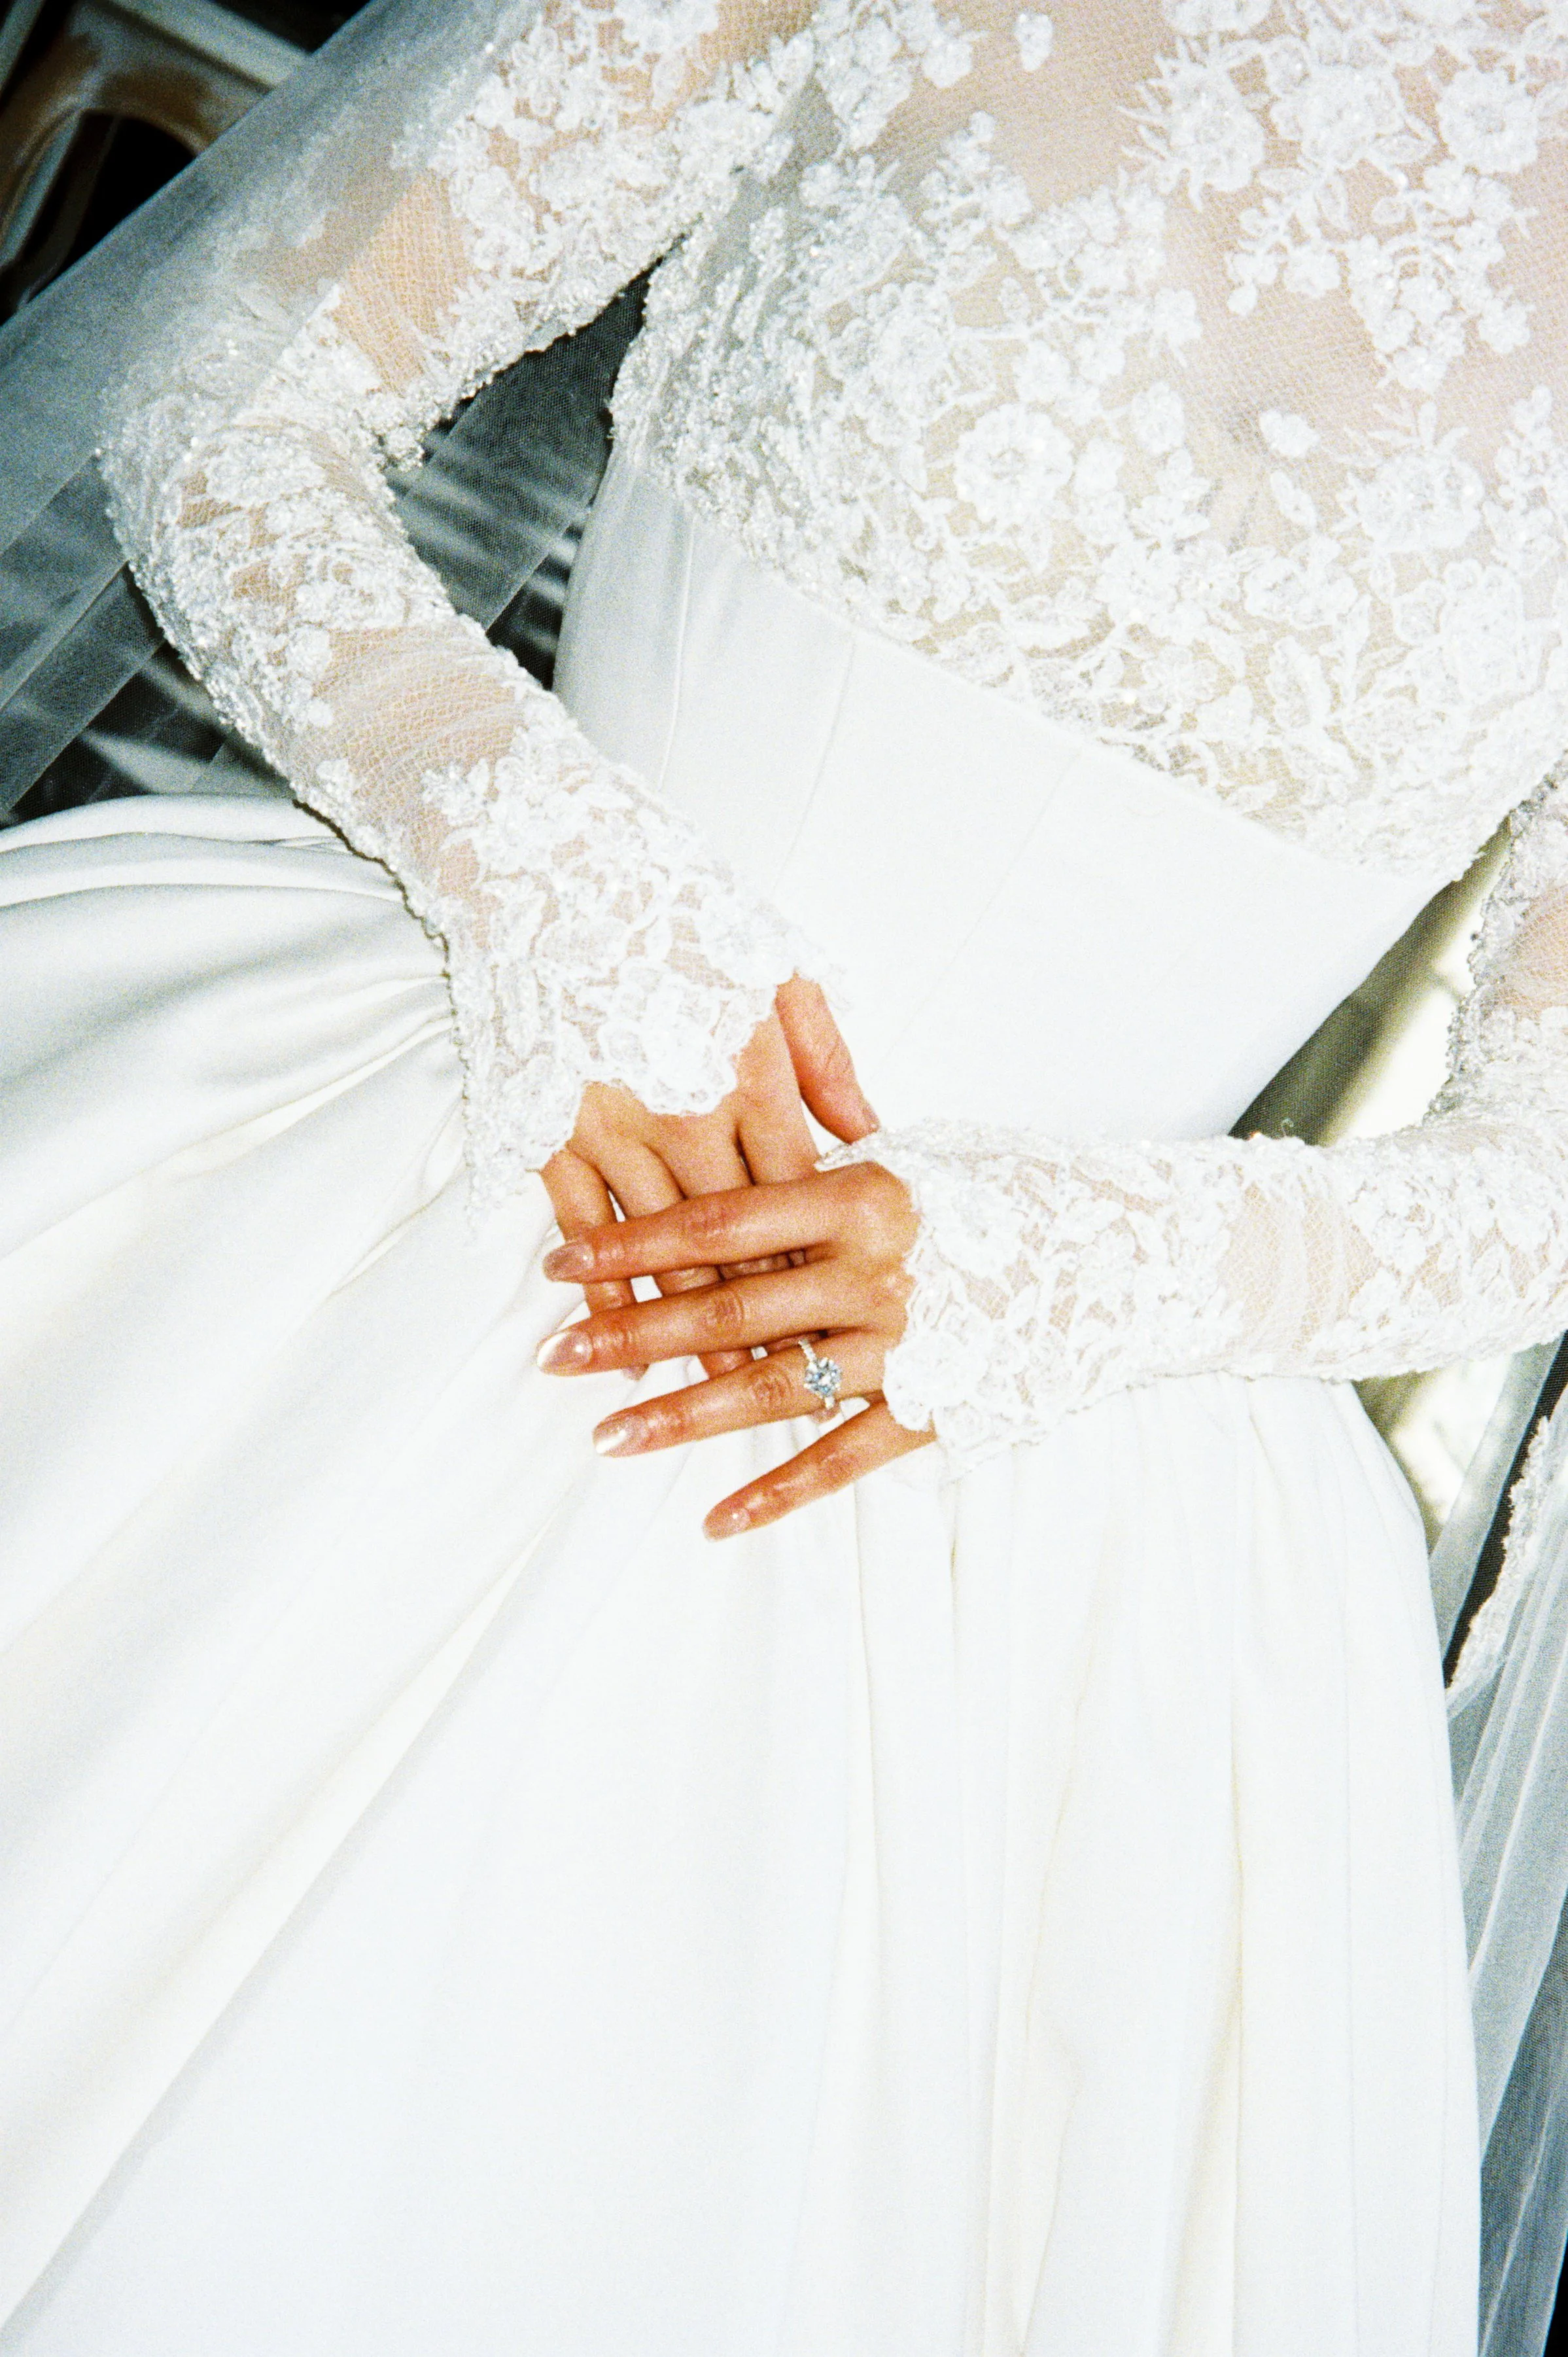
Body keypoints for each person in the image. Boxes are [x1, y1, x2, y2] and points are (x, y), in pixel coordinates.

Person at [3, 0, 1567, 2346]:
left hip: (1072, 1484)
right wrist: (563, 893)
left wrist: (1084, 1271)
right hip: (457, 1148)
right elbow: (231, 386)